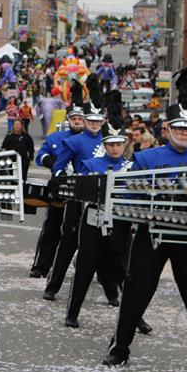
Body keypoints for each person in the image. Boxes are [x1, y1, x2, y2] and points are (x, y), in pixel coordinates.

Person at [104, 104, 187, 372]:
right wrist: (120, 236)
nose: (183, 133)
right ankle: (119, 349)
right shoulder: (147, 158)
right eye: (178, 128)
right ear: (168, 129)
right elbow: (127, 197)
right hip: (152, 235)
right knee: (136, 292)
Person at [64, 123, 151, 331]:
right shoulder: (91, 164)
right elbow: (80, 192)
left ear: (124, 144)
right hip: (93, 221)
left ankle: (136, 318)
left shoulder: (132, 167)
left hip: (120, 223)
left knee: (125, 272)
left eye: (118, 144)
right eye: (110, 144)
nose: (114, 148)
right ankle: (72, 313)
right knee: (85, 268)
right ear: (104, 145)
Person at [42, 102, 106, 300]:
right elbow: (59, 166)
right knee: (68, 242)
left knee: (106, 246)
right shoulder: (75, 141)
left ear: (102, 121)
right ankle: (52, 286)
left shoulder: (109, 141)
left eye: (98, 121)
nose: (94, 124)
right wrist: (60, 176)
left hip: (102, 200)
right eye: (91, 120)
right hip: (78, 197)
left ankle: (112, 291)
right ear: (85, 120)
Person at [29, 106, 86, 278]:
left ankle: (90, 268)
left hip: (83, 192)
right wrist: (51, 162)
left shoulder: (92, 140)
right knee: (51, 228)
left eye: (80, 118)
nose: (77, 121)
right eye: (74, 118)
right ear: (68, 120)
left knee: (84, 232)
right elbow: (41, 156)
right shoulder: (56, 137)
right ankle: (41, 266)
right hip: (59, 190)